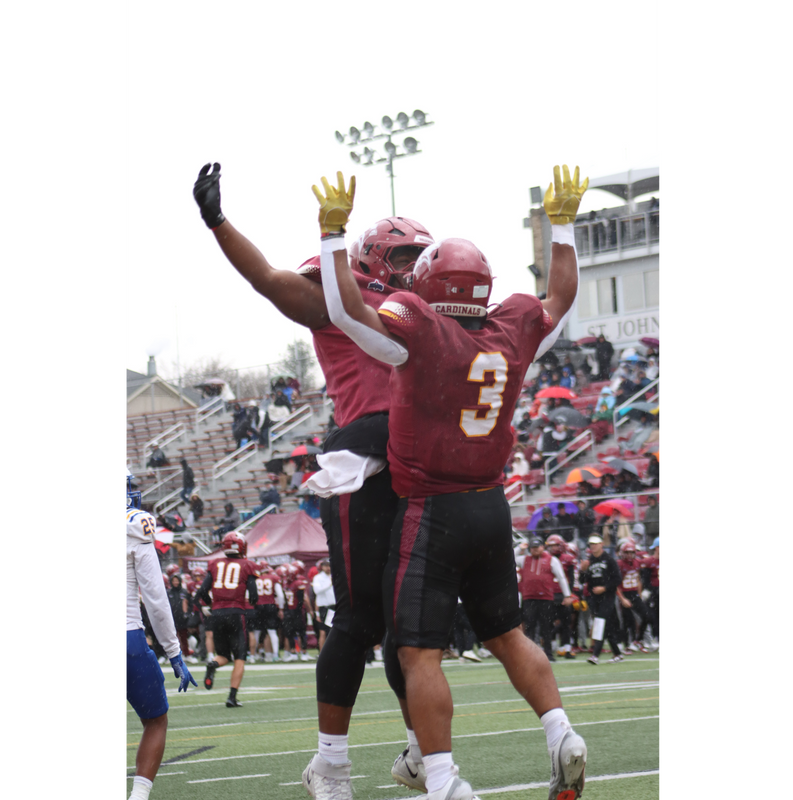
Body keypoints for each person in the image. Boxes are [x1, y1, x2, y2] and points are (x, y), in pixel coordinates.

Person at [317, 166, 589, 800]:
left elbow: (346, 311)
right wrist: (564, 227)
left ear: (426, 283)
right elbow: (559, 298)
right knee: (508, 634)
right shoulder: (512, 327)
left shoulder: (417, 326)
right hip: (492, 505)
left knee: (417, 653)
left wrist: (331, 236)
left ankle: (440, 778)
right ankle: (561, 732)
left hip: (432, 510)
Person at [192, 161, 433, 799]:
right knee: (358, 621)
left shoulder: (426, 308)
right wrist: (219, 221)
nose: (414, 267)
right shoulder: (345, 292)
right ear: (373, 258)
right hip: (364, 462)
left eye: (420, 256)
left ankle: (421, 750)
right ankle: (330, 765)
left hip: (417, 464)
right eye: (404, 255)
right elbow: (269, 280)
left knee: (408, 622)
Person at [124, 468, 196, 800]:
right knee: (155, 720)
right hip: (128, 639)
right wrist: (174, 652)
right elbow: (155, 599)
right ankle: (139, 796)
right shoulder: (134, 525)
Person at [191, 531, 258, 707]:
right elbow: (253, 596)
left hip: (217, 614)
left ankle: (212, 665)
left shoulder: (215, 563)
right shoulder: (247, 564)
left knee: (223, 655)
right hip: (236, 613)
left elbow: (202, 591)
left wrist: (210, 603)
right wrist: (250, 602)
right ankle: (232, 697)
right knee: (240, 658)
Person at [520, 537, 575, 662]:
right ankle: (530, 655)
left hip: (545, 598)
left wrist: (567, 595)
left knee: (546, 626)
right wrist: (520, 547)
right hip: (529, 598)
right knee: (530, 626)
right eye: (532, 547)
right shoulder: (524, 559)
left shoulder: (551, 559)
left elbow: (561, 577)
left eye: (537, 547)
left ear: (542, 547)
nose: (535, 550)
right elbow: (510, 557)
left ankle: (548, 653)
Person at [579, 535, 623, 665]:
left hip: (607, 596)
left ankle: (595, 655)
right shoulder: (589, 561)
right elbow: (582, 581)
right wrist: (583, 570)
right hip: (594, 598)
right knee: (606, 625)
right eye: (591, 544)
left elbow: (617, 579)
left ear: (601, 544)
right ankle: (617, 653)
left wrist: (604, 588)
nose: (593, 546)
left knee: (600, 622)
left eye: (595, 543)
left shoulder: (609, 560)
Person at [311, 560, 337, 650]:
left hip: (334, 606)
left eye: (329, 566)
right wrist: (329, 584)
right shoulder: (318, 578)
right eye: (326, 566)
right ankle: (323, 652)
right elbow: (317, 591)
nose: (328, 568)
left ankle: (334, 650)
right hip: (325, 607)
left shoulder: (334, 576)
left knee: (334, 630)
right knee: (323, 631)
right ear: (322, 567)